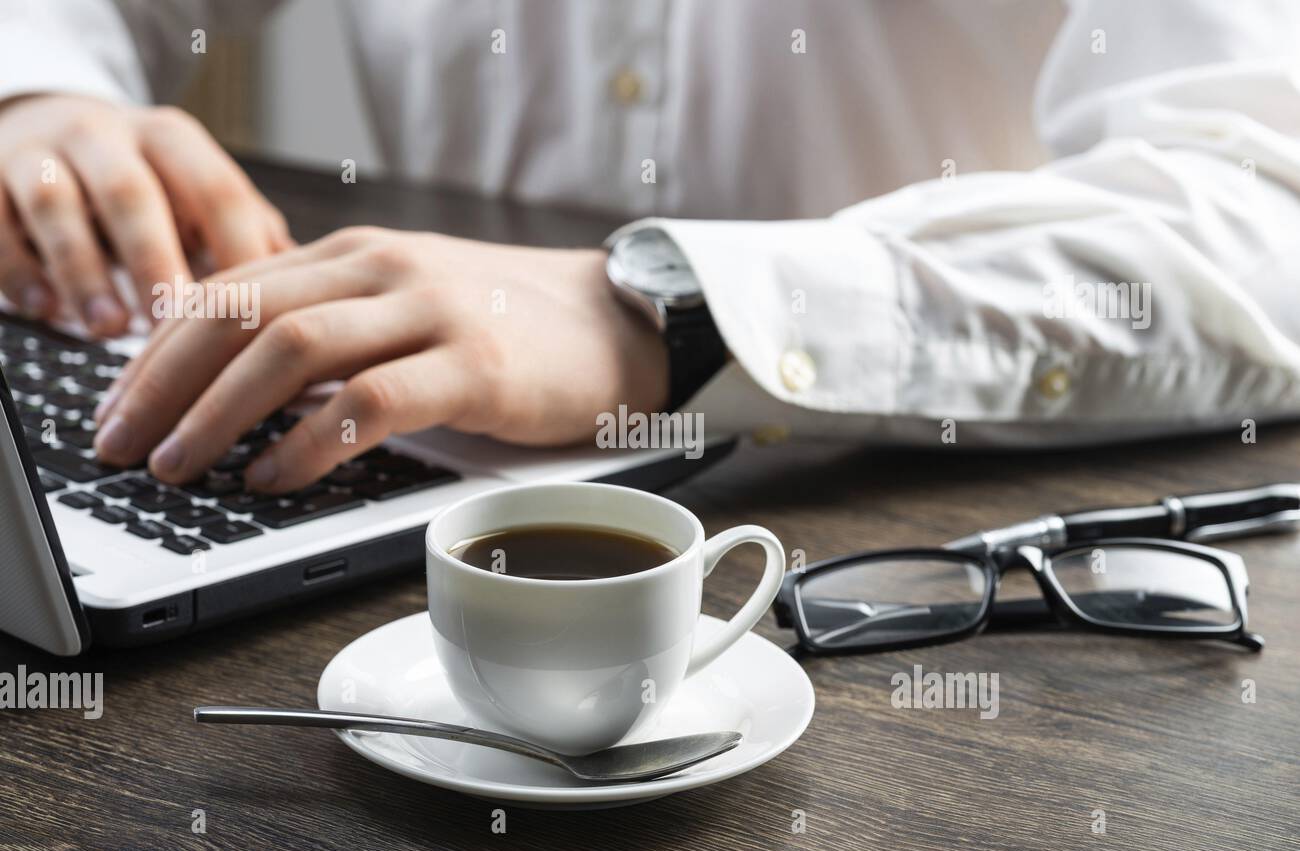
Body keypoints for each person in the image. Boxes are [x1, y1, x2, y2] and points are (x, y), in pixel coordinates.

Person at [1, 0, 1299, 495]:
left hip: (891, 517)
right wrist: (37, 95)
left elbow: (1265, 210)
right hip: (397, 475)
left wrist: (661, 311)